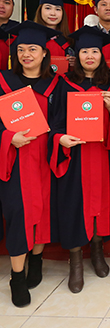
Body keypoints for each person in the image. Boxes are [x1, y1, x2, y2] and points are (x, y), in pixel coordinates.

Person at [48, 26, 110, 293]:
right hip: (74, 155)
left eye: (95, 51)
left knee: (101, 203)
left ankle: (97, 251)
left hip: (100, 155)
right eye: (85, 51)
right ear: (77, 55)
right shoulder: (63, 84)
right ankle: (75, 261)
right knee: (73, 204)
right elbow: (54, 122)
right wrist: (60, 138)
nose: (90, 56)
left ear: (102, 55)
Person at [0, 21, 60, 307]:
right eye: (21, 49)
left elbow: (62, 122)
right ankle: (17, 277)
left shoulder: (56, 85)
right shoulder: (3, 82)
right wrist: (8, 137)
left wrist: (62, 138)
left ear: (44, 53)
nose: (26, 54)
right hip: (15, 161)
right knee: (19, 215)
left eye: (33, 49)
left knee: (43, 211)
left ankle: (36, 261)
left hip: (46, 160)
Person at [32, 0, 77, 67]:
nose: (53, 13)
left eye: (58, 9)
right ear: (40, 10)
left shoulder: (69, 42)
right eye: (48, 8)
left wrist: (75, 64)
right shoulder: (31, 39)